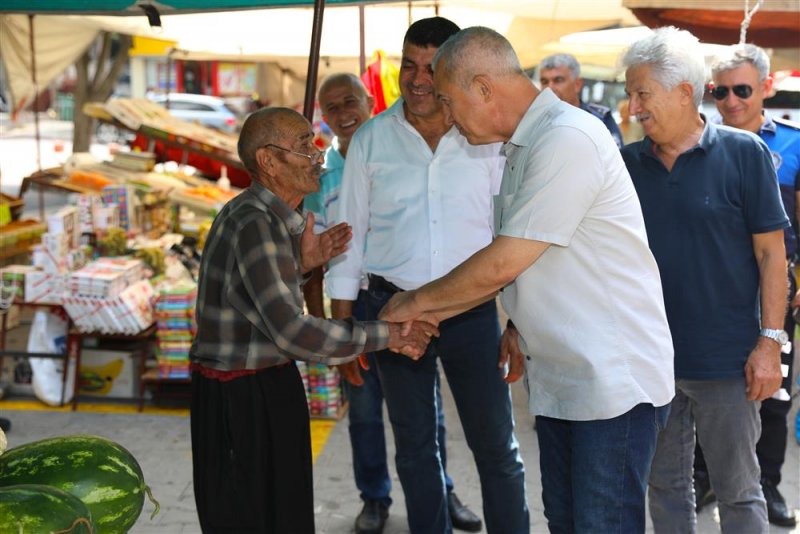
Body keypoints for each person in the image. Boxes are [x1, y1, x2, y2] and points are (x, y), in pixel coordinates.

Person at [380, 26, 675, 532]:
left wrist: (411, 304)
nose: (448, 119)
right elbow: (538, 257)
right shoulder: (520, 147)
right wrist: (517, 323)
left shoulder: (567, 138)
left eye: (450, 102)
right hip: (564, 376)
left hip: (611, 384)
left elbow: (503, 261)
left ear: (483, 88)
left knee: (599, 524)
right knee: (565, 520)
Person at [189, 106, 437, 533]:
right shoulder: (255, 223)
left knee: (281, 512)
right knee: (256, 518)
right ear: (268, 161)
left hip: (260, 384)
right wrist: (388, 334)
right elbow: (292, 332)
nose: (317, 154)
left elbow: (257, 303)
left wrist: (300, 265)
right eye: (304, 145)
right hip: (242, 397)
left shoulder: (264, 219)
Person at [327, 17, 528, 534]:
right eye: (408, 65)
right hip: (391, 313)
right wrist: (345, 332)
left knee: (497, 447)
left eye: (431, 68)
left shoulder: (485, 138)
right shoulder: (372, 140)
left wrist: (519, 323)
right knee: (415, 448)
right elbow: (348, 240)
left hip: (472, 314)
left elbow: (515, 237)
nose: (417, 80)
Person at [619, 28, 790, 533]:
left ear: (683, 92)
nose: (632, 107)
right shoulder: (625, 165)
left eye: (641, 93)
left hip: (727, 363)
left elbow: (772, 256)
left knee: (739, 491)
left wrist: (770, 343)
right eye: (629, 94)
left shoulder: (744, 154)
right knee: (667, 487)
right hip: (651, 362)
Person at [302, 73, 468, 534]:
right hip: (351, 307)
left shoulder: (402, 152)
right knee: (365, 407)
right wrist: (324, 327)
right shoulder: (318, 176)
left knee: (425, 409)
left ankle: (442, 490)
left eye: (351, 101)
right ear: (324, 115)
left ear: (370, 100)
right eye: (332, 107)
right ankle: (374, 497)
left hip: (401, 297)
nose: (344, 112)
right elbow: (312, 262)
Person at [690, 43, 800, 527]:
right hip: (711, 291)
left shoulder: (793, 145)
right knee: (700, 386)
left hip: (778, 288)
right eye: (720, 91)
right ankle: (705, 477)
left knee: (772, 391)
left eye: (742, 90)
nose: (731, 101)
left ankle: (767, 485)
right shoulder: (695, 142)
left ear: (766, 88)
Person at [537, 53, 624, 147]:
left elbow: (618, 157)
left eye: (558, 80)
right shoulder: (535, 122)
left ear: (577, 84)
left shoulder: (599, 118)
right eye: (544, 82)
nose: (550, 88)